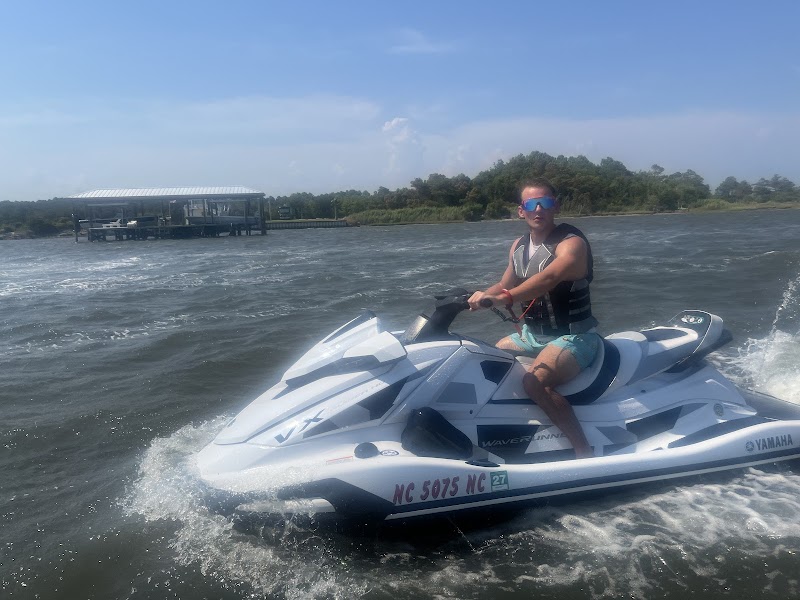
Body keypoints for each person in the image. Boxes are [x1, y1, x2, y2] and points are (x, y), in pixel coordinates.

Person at [468, 178, 600, 458]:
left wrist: (506, 298)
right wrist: (475, 297)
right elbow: (504, 285)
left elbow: (549, 278)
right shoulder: (518, 245)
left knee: (534, 382)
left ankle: (582, 449)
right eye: (531, 204)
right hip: (531, 335)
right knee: (486, 358)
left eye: (546, 202)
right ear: (521, 210)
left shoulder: (571, 244)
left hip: (575, 336)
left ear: (556, 206)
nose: (538, 209)